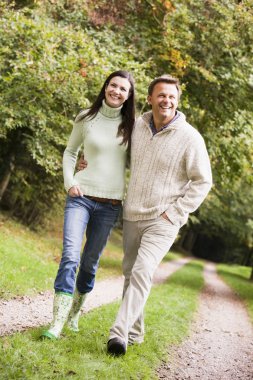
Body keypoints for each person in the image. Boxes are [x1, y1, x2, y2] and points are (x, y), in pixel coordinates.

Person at [106, 75, 212, 355]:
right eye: (161, 95)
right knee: (130, 274)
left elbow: (203, 181)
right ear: (151, 98)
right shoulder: (138, 127)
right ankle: (136, 331)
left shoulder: (190, 138)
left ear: (177, 101)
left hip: (163, 220)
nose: (167, 100)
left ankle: (118, 335)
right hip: (133, 214)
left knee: (142, 271)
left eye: (172, 97)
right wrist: (86, 160)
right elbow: (114, 154)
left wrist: (175, 213)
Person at [41, 70, 135, 340]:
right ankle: (57, 322)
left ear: (129, 96)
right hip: (79, 197)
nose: (116, 91)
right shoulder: (86, 117)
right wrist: (69, 181)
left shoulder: (132, 126)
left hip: (110, 204)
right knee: (70, 255)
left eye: (123, 89)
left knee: (89, 264)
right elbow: (71, 152)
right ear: (105, 86)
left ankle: (74, 313)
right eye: (113, 85)